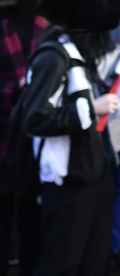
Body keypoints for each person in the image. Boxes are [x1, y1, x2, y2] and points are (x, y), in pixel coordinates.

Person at [20, 25, 120, 276]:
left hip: (96, 173)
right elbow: (35, 119)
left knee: (94, 262)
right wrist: (91, 108)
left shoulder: (81, 55)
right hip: (68, 181)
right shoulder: (54, 56)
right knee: (61, 263)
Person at [0, 16, 48, 276]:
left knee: (32, 222)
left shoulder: (48, 26)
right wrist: (14, 90)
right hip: (5, 139)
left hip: (36, 143)